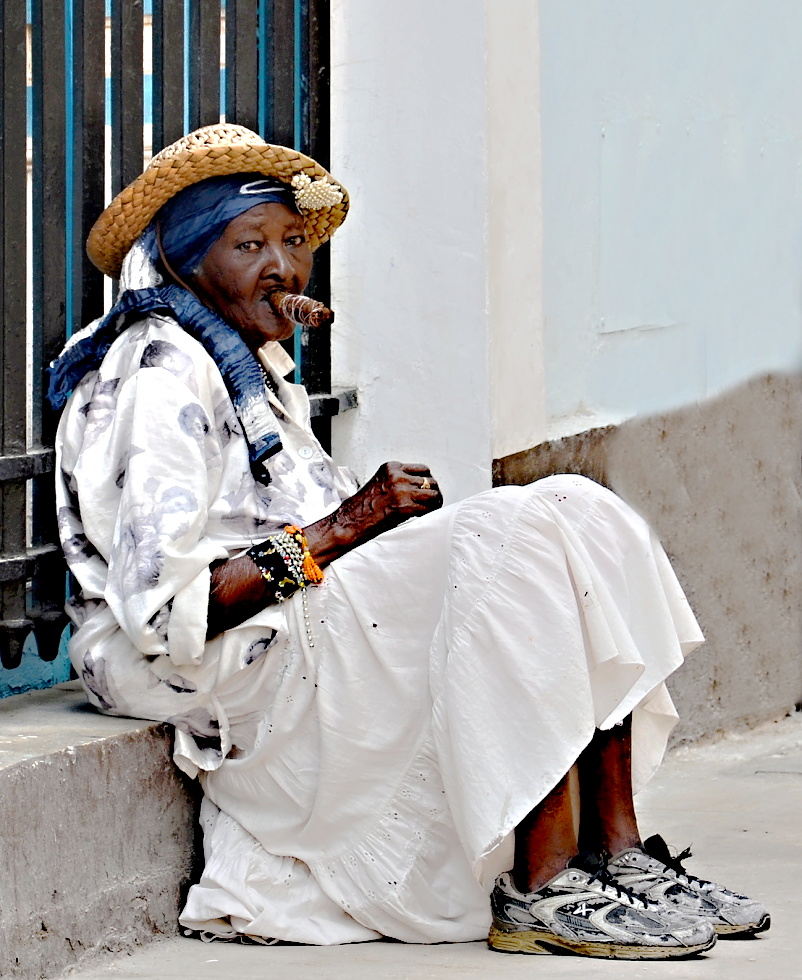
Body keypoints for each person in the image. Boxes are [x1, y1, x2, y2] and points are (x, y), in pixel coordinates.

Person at [49, 124, 769, 960]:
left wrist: (357, 535)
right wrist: (351, 524)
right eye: (249, 245)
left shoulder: (248, 369)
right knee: (518, 532)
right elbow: (167, 612)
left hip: (300, 628)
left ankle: (616, 852)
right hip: (227, 675)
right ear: (184, 260)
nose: (282, 268)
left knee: (577, 507)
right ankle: (539, 887)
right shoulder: (157, 378)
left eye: (293, 242)